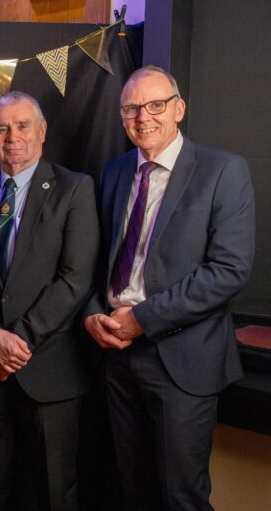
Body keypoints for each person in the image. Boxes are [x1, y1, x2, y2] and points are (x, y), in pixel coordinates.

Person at [83, 66, 255, 510]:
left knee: (181, 497)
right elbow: (96, 260)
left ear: (178, 108)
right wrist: (91, 313)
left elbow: (229, 270)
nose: (144, 117)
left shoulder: (223, 170)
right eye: (132, 108)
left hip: (183, 359)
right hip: (116, 356)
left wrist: (140, 320)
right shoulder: (115, 172)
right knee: (131, 490)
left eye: (156, 105)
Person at [0, 92, 98, 511]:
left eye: (22, 126)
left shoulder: (74, 188)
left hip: (48, 369)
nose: (12, 136)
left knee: (53, 492)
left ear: (43, 131)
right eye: (2, 128)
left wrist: (14, 345)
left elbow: (75, 279)